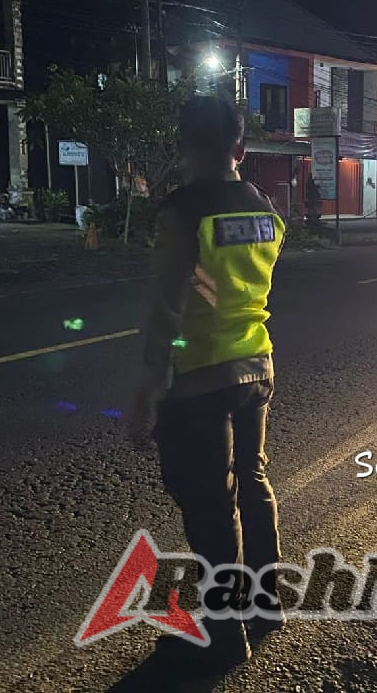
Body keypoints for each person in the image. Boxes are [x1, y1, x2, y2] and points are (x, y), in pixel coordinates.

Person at [127, 95, 286, 675]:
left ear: (183, 147)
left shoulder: (182, 212)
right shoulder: (264, 207)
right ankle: (266, 603)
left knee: (210, 507)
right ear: (239, 150)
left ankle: (224, 634)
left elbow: (166, 311)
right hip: (257, 365)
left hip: (198, 378)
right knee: (253, 480)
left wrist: (146, 393)